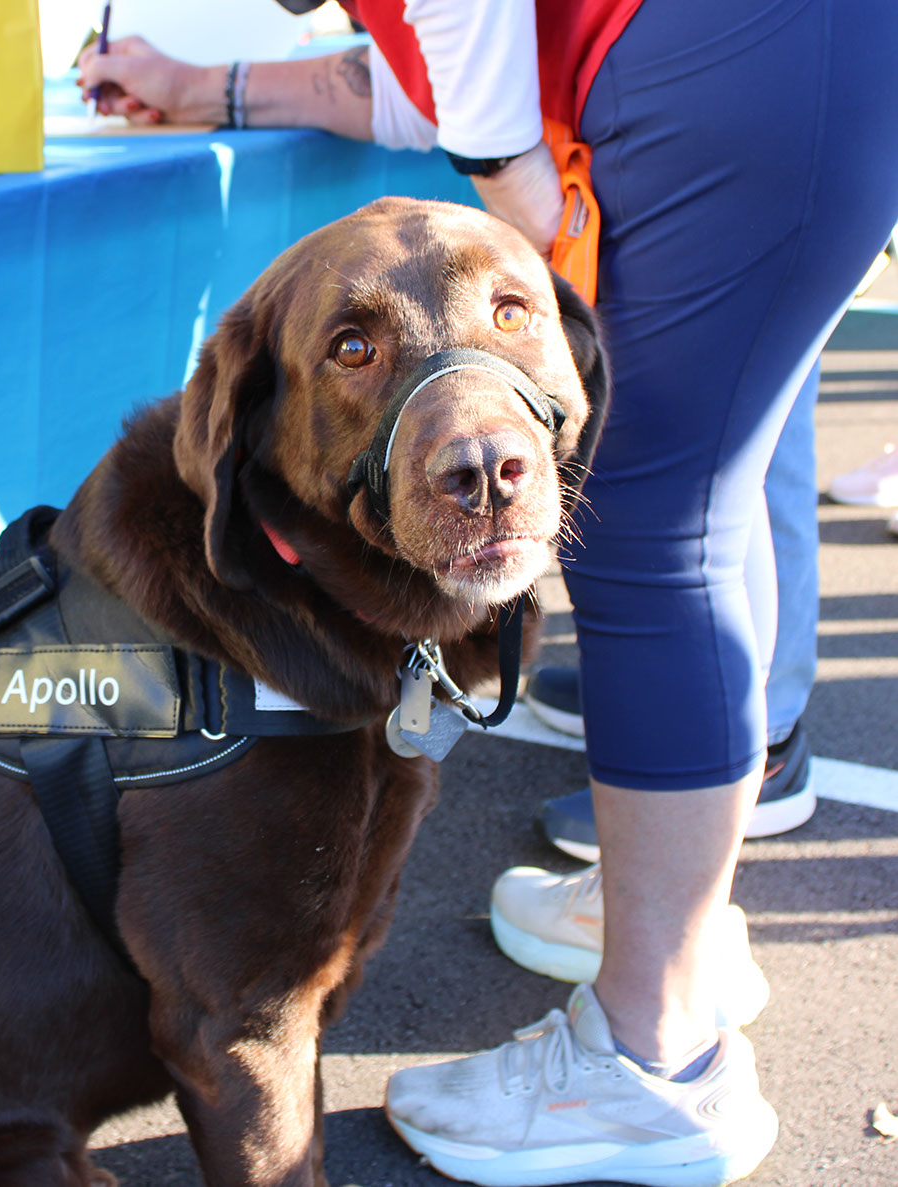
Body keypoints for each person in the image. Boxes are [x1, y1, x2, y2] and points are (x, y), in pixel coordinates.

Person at [80, 3, 898, 1183]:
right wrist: (212, 88)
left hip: (724, 73)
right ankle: (669, 908)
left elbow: (466, 38)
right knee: (709, 486)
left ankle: (651, 1050)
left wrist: (520, 202)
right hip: (795, 63)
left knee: (652, 528)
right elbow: (420, 84)